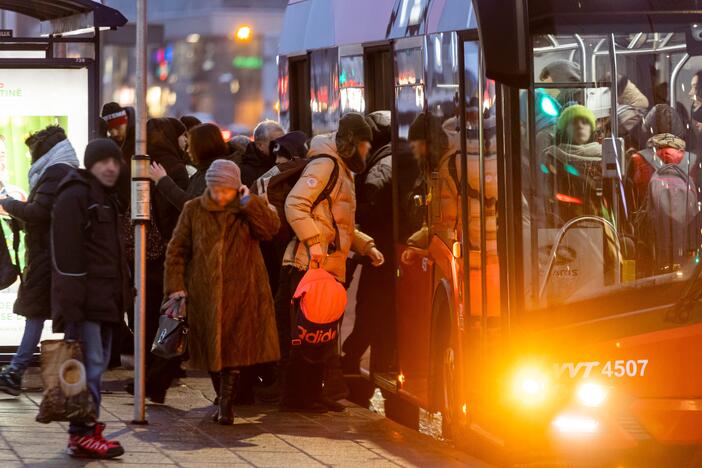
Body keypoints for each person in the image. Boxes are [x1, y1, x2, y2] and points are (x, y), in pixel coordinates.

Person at [278, 112, 384, 412]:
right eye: (364, 146)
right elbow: (295, 205)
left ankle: (312, 393)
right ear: (352, 143)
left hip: (327, 268)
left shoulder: (342, 168)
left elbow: (340, 224)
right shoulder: (326, 165)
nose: (366, 152)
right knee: (306, 336)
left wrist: (367, 246)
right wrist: (313, 243)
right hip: (309, 267)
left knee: (321, 336)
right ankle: (297, 397)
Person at [164, 159, 281, 425]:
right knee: (209, 350)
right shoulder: (193, 209)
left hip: (243, 290)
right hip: (204, 292)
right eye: (215, 188)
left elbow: (270, 230)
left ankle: (227, 404)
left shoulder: (246, 209)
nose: (220, 194)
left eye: (226, 189)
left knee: (233, 349)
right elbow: (177, 250)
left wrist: (249, 202)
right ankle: (221, 397)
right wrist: (176, 287)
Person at [52, 138, 127, 459]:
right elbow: (67, 255)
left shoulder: (104, 197)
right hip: (85, 303)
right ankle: (81, 433)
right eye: (103, 161)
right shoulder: (76, 196)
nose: (110, 167)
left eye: (115, 161)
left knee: (93, 367)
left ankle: (86, 426)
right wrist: (73, 306)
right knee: (87, 367)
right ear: (89, 164)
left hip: (103, 300)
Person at [0, 126, 79, 395]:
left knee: (39, 314)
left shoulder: (55, 172)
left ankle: (23, 372)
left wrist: (7, 203)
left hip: (49, 258)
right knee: (52, 315)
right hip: (54, 256)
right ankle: (59, 374)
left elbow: (39, 213)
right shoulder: (61, 170)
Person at [341, 111, 395, 376]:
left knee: (370, 305)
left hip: (380, 247)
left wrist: (356, 216)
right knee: (375, 308)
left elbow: (371, 199)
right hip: (381, 246)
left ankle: (351, 357)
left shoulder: (382, 163)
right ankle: (364, 360)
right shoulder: (389, 157)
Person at [150, 123, 228, 211]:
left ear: (202, 146)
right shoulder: (204, 170)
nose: (188, 150)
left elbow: (193, 207)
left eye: (191, 146)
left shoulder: (217, 174)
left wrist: (163, 180)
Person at [101, 102, 135, 208]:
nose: (114, 133)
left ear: (125, 121)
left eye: (117, 127)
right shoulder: (110, 143)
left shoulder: (139, 140)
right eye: (110, 130)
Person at [239, 120, 285, 186]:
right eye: (276, 142)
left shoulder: (284, 162)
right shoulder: (244, 172)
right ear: (260, 145)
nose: (281, 145)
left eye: (283, 141)